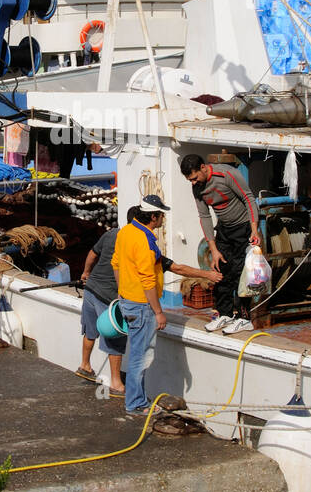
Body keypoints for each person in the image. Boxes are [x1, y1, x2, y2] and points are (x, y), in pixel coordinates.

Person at [76, 206, 221, 395]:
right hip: (109, 297)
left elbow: (97, 255)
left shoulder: (114, 235)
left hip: (91, 290)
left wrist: (86, 272)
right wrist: (208, 275)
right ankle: (117, 383)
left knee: (90, 331)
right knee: (115, 340)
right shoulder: (141, 243)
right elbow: (174, 270)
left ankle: (85, 365)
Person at [180, 154, 260, 334]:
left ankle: (244, 318)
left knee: (241, 273)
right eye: (189, 180)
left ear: (203, 167)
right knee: (221, 271)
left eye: (194, 178)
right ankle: (225, 313)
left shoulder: (226, 175)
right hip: (224, 230)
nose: (193, 183)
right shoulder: (197, 188)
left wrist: (254, 229)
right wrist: (214, 249)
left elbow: (248, 198)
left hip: (243, 228)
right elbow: (205, 216)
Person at [110, 196, 172, 415]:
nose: (163, 218)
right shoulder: (145, 241)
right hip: (141, 305)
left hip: (127, 299)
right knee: (139, 356)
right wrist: (158, 312)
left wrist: (122, 291)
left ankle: (137, 399)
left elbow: (116, 263)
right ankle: (136, 403)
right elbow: (148, 281)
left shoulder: (125, 231)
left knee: (135, 353)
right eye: (161, 214)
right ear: (153, 217)